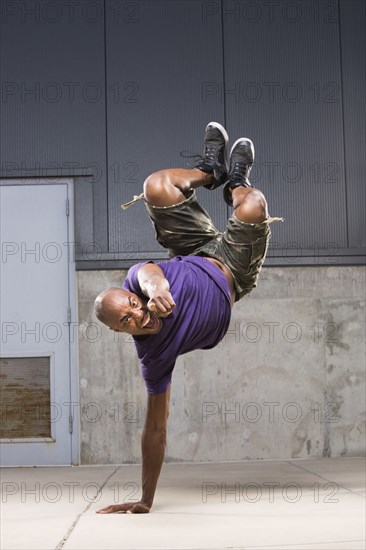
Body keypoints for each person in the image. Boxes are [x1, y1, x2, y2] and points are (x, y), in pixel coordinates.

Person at [94, 122, 283, 514]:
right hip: (233, 269)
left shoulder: (141, 283)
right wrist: (146, 498)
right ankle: (237, 185)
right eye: (125, 321)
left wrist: (156, 288)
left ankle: (211, 174)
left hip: (194, 248)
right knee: (253, 205)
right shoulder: (154, 357)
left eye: (131, 305)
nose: (137, 315)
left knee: (156, 186)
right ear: (118, 332)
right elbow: (155, 430)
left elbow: (148, 273)